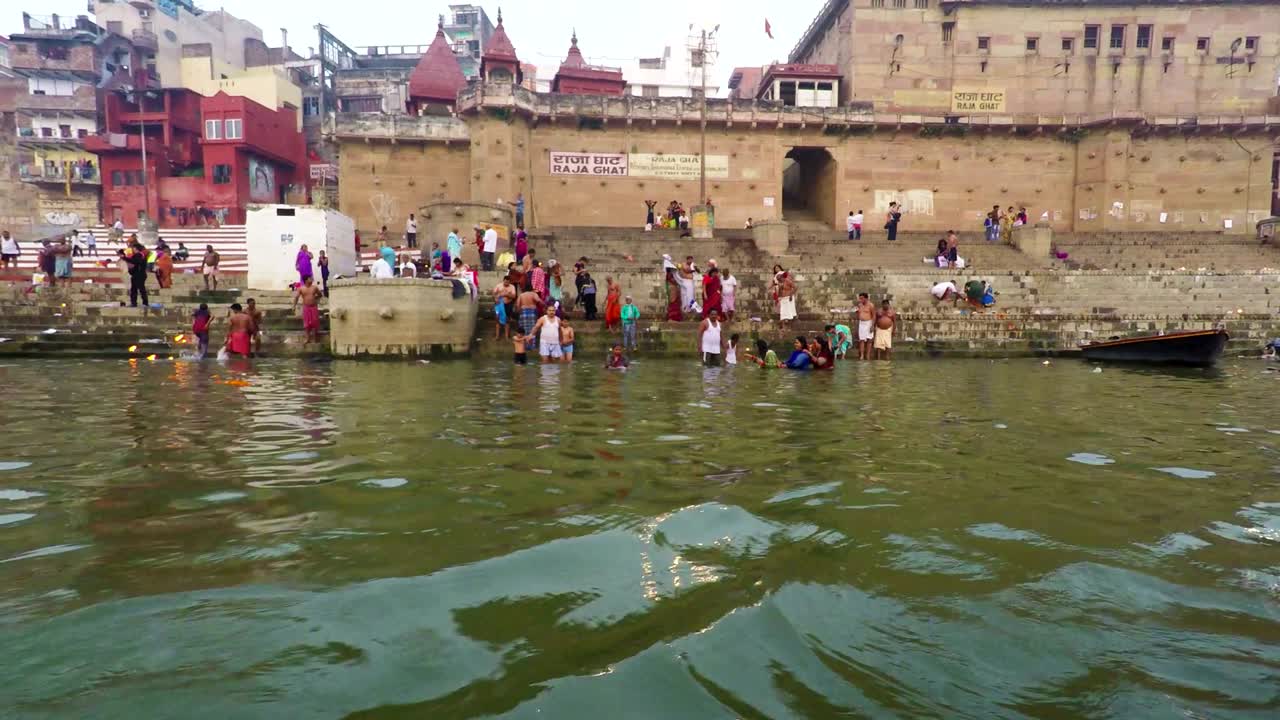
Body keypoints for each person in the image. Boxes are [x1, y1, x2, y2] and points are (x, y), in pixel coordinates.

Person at [293, 276, 323, 347]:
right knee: (306, 324)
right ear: (306, 280)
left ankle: (316, 337)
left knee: (315, 322)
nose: (312, 279)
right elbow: (296, 297)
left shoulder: (314, 287)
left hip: (314, 307)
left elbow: (320, 294)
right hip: (306, 307)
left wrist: (316, 298)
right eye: (310, 278)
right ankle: (308, 338)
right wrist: (294, 306)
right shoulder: (301, 288)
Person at [123, 241, 148, 306]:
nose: (132, 249)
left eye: (133, 248)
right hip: (135, 274)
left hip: (139, 275)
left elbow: (135, 262)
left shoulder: (140, 255)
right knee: (134, 289)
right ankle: (134, 303)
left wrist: (125, 258)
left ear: (136, 248)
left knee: (141, 289)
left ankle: (145, 303)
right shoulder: (137, 255)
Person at [854, 292, 875, 360]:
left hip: (868, 323)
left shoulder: (871, 305)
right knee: (861, 340)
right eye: (859, 298)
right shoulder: (859, 305)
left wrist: (872, 326)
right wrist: (857, 313)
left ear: (866, 298)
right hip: (861, 324)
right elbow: (858, 315)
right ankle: (862, 355)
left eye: (862, 298)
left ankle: (867, 355)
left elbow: (874, 316)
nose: (860, 300)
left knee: (869, 340)